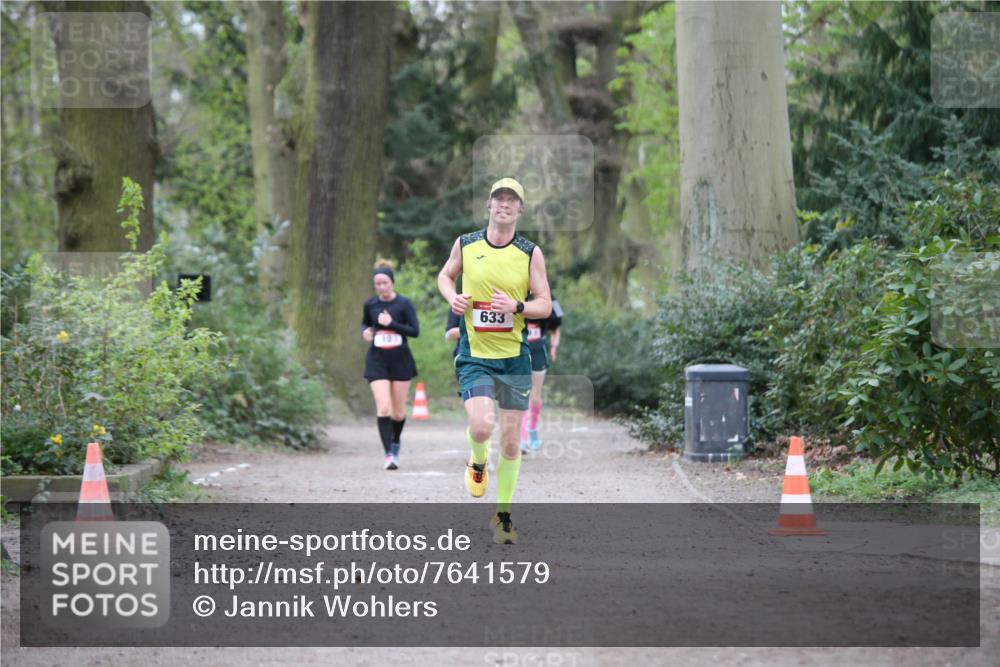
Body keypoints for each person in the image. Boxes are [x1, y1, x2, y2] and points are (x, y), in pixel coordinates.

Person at [437, 177, 552, 544]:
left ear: (520, 210)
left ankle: (503, 516)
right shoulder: (467, 244)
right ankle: (477, 459)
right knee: (483, 427)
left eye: (511, 200)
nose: (504, 204)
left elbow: (545, 304)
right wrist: (451, 297)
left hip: (514, 358)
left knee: (511, 442)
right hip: (476, 356)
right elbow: (444, 275)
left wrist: (517, 306)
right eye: (498, 199)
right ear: (488, 205)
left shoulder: (530, 252)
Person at [362, 260, 419, 470]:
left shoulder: (404, 304)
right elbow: (365, 323)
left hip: (400, 360)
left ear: (392, 283)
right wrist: (366, 332)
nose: (382, 287)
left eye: (385, 283)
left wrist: (392, 324)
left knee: (398, 412)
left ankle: (395, 442)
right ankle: (388, 455)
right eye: (378, 284)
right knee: (383, 407)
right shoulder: (370, 304)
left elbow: (415, 331)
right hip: (377, 360)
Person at [521, 293, 563, 454]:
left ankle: (532, 429)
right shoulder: (514, 288)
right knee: (522, 393)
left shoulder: (549, 296)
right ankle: (522, 438)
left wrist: (554, 347)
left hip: (538, 351)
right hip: (518, 350)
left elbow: (556, 327)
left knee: (535, 394)